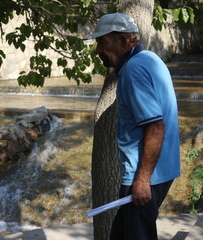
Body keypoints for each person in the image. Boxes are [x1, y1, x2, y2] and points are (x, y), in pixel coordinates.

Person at [83, 13, 181, 240]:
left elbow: (155, 126)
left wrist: (142, 180)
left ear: (124, 39)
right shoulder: (150, 59)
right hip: (161, 171)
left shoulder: (134, 70)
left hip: (144, 177)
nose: (97, 50)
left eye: (102, 41)